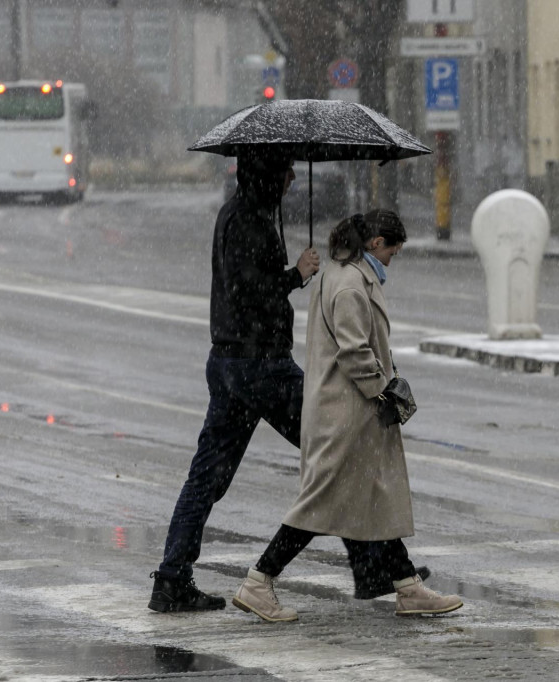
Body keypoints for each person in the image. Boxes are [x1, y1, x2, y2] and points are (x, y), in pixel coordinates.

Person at [148, 155, 426, 612]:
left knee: (213, 479)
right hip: (260, 366)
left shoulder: (244, 214)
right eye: (286, 171)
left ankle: (173, 576)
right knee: (344, 454)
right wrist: (295, 275)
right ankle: (379, 567)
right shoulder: (245, 221)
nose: (293, 177)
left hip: (233, 362)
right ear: (266, 175)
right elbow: (247, 289)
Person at [231, 210, 463, 622]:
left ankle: (408, 587)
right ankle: (258, 581)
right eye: (393, 249)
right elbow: (354, 351)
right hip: (347, 413)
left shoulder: (339, 273)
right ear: (375, 243)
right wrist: (385, 391)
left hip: (347, 412)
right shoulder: (351, 285)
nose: (393, 257)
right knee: (318, 506)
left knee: (376, 497)